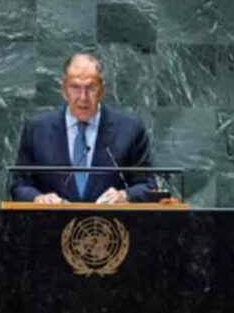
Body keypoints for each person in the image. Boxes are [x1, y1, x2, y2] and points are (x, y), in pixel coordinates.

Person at [11, 53, 155, 204]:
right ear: (63, 89)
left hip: (111, 225)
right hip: (51, 224)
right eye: (75, 87)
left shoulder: (130, 129)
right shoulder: (38, 129)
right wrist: (39, 198)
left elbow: (148, 186)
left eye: (91, 88)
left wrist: (124, 196)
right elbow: (19, 185)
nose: (83, 97)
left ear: (102, 90)